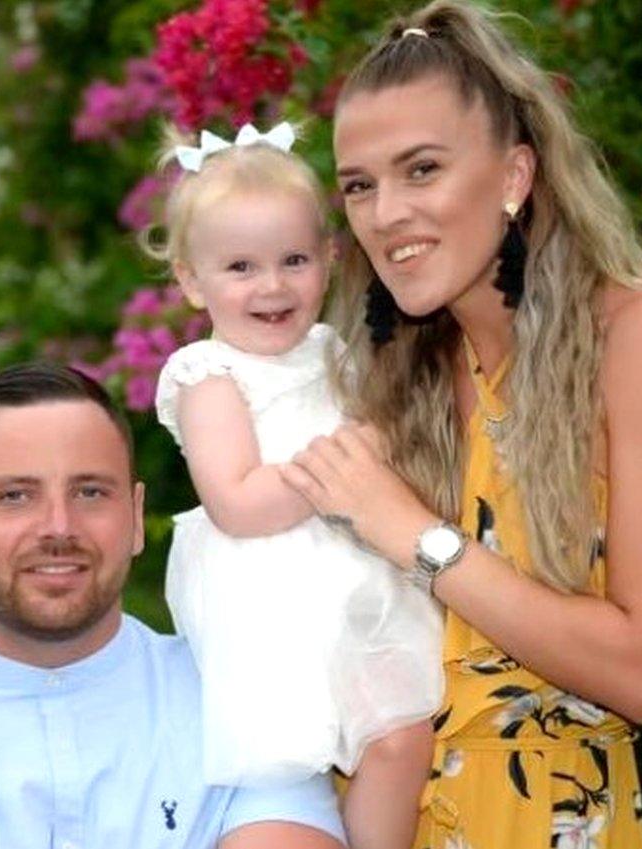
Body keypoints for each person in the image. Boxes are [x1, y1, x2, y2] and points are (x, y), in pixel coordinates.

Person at [280, 2, 642, 848]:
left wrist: (412, 532)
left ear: (517, 175)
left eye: (421, 170)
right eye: (359, 185)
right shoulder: (375, 377)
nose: (384, 214)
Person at [0, 363, 347, 849]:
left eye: (90, 492)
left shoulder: (245, 705)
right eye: (14, 496)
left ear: (134, 515)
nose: (58, 528)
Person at [150, 123, 443, 849]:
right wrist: (350, 459)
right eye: (241, 267)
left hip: (356, 577)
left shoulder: (330, 350)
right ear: (191, 278)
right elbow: (240, 501)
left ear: (330, 258)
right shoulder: (207, 374)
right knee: (310, 763)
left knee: (403, 738)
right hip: (274, 603)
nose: (272, 285)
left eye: (294, 260)